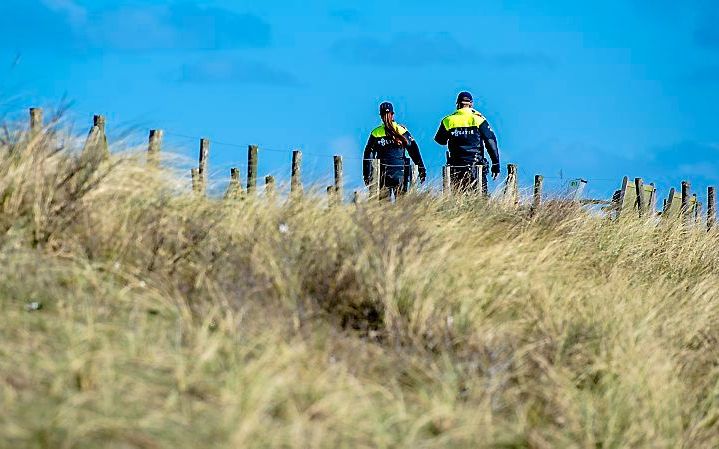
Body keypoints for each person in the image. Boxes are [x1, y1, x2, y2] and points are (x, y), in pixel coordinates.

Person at [434, 91, 500, 192]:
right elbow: (490, 141)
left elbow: (440, 140)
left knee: (456, 198)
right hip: (476, 166)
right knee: (480, 198)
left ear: (457, 104)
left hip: (455, 167)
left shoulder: (448, 120)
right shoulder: (479, 119)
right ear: (471, 104)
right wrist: (495, 164)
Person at [363, 102, 426, 199]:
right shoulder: (402, 130)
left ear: (380, 116)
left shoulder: (375, 133)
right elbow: (414, 151)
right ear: (393, 114)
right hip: (401, 173)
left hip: (382, 175)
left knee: (384, 209)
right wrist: (422, 169)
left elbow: (368, 157)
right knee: (402, 208)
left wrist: (367, 176)